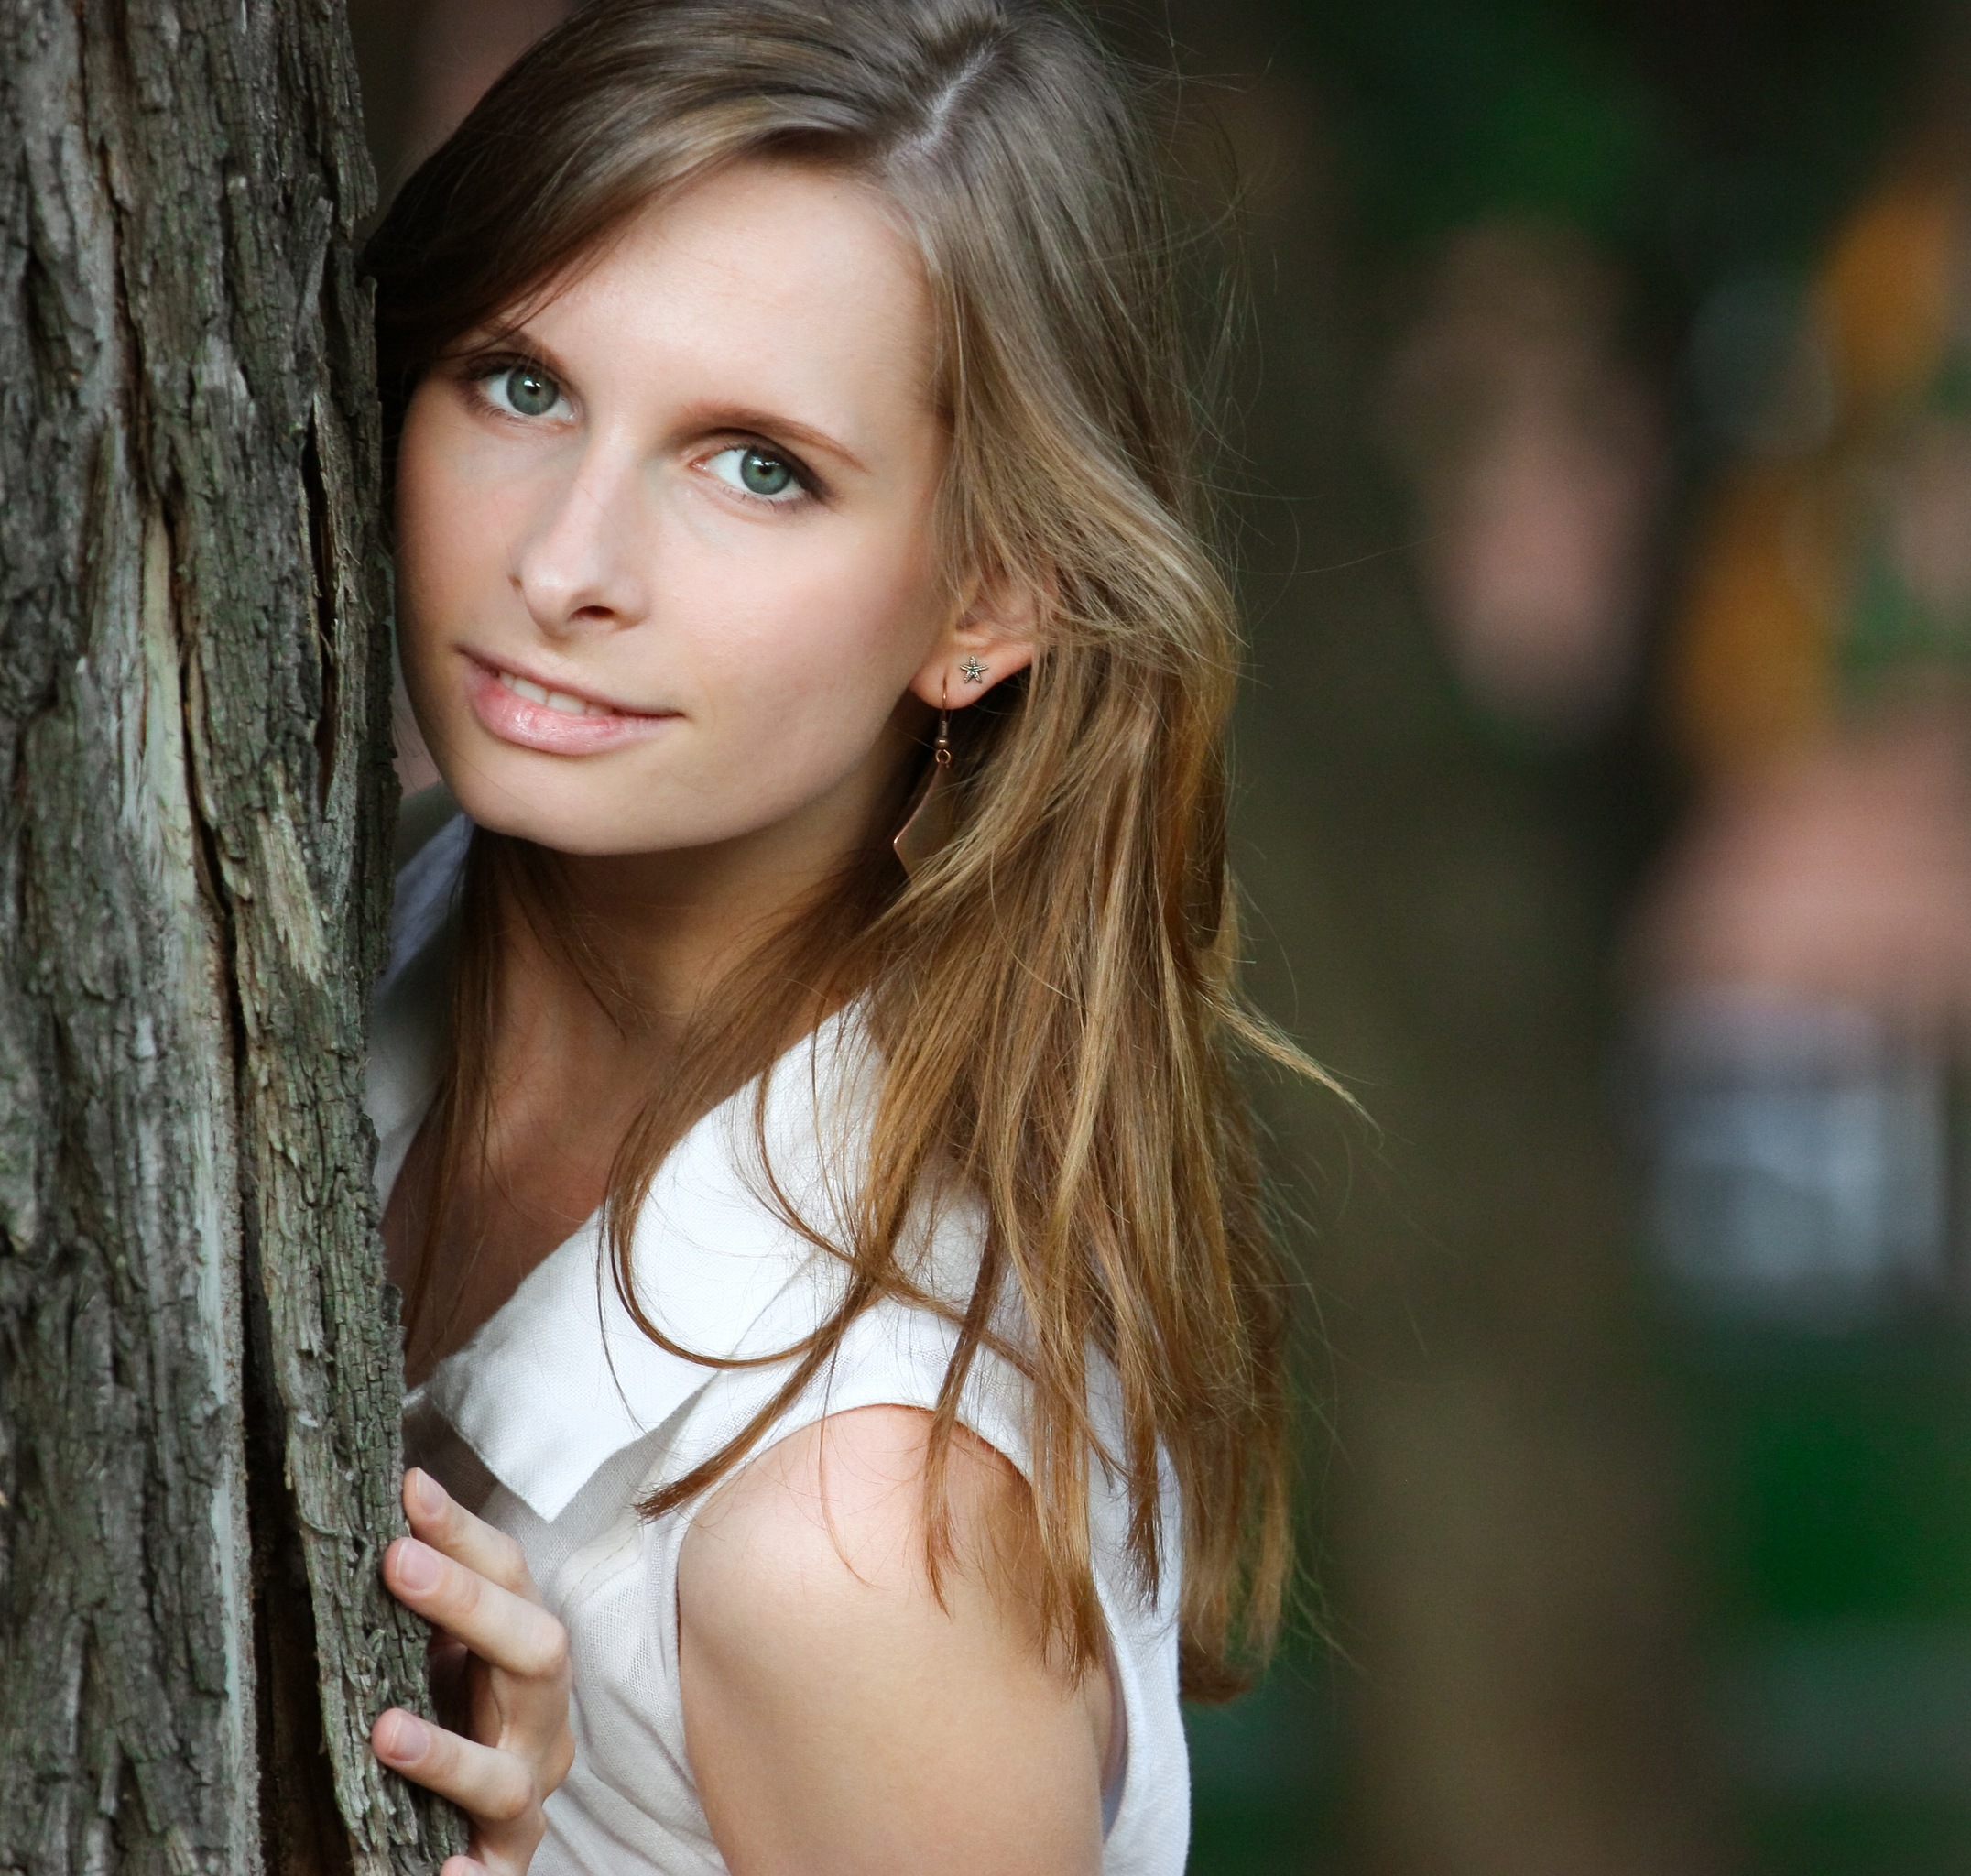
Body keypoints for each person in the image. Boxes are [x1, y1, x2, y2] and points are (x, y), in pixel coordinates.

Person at [354, 0, 1312, 1869]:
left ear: (989, 600)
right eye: (521, 384)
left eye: (758, 466)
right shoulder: (378, 919)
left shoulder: (854, 1543)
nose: (562, 565)